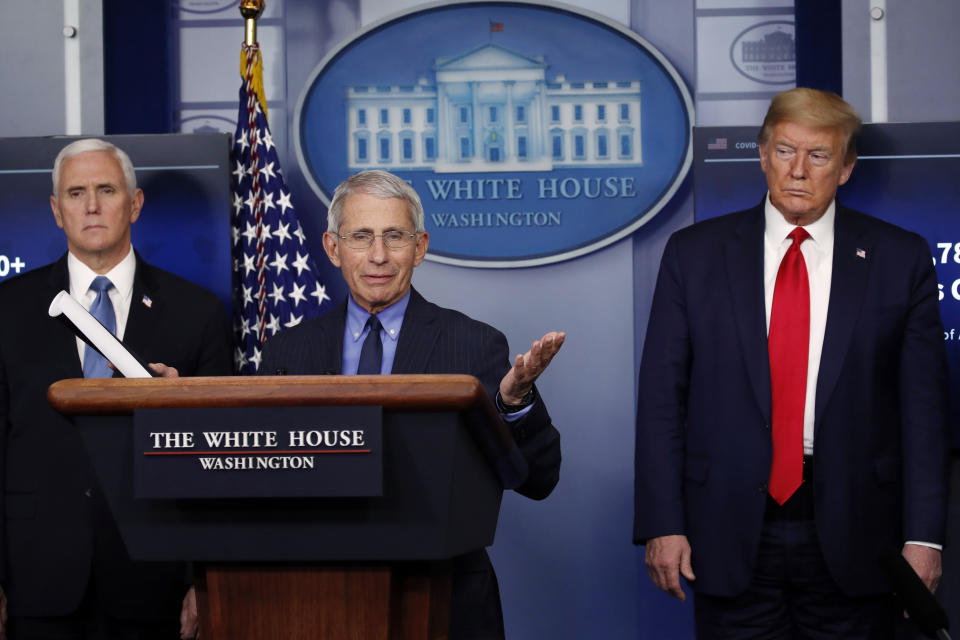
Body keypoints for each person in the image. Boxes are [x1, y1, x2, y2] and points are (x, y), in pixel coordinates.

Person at [634, 88, 949, 638]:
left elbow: (923, 414)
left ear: (847, 168)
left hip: (857, 529)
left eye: (819, 156)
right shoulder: (693, 254)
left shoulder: (901, 258)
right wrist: (663, 522)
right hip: (728, 527)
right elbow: (663, 399)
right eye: (784, 151)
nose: (798, 171)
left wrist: (924, 537)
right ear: (761, 155)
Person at [260, 169, 564, 639]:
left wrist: (513, 400)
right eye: (361, 236)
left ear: (419, 247)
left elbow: (537, 480)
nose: (378, 255)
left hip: (443, 599)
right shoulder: (286, 352)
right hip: (314, 600)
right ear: (332, 247)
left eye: (394, 236)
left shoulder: (474, 345)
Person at [0, 139, 231, 639]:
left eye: (106, 189)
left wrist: (205, 580)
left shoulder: (199, 313)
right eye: (75, 192)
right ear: (56, 210)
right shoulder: (6, 309)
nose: (91, 205)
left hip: (154, 579)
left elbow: (217, 464)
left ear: (135, 203)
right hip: (34, 578)